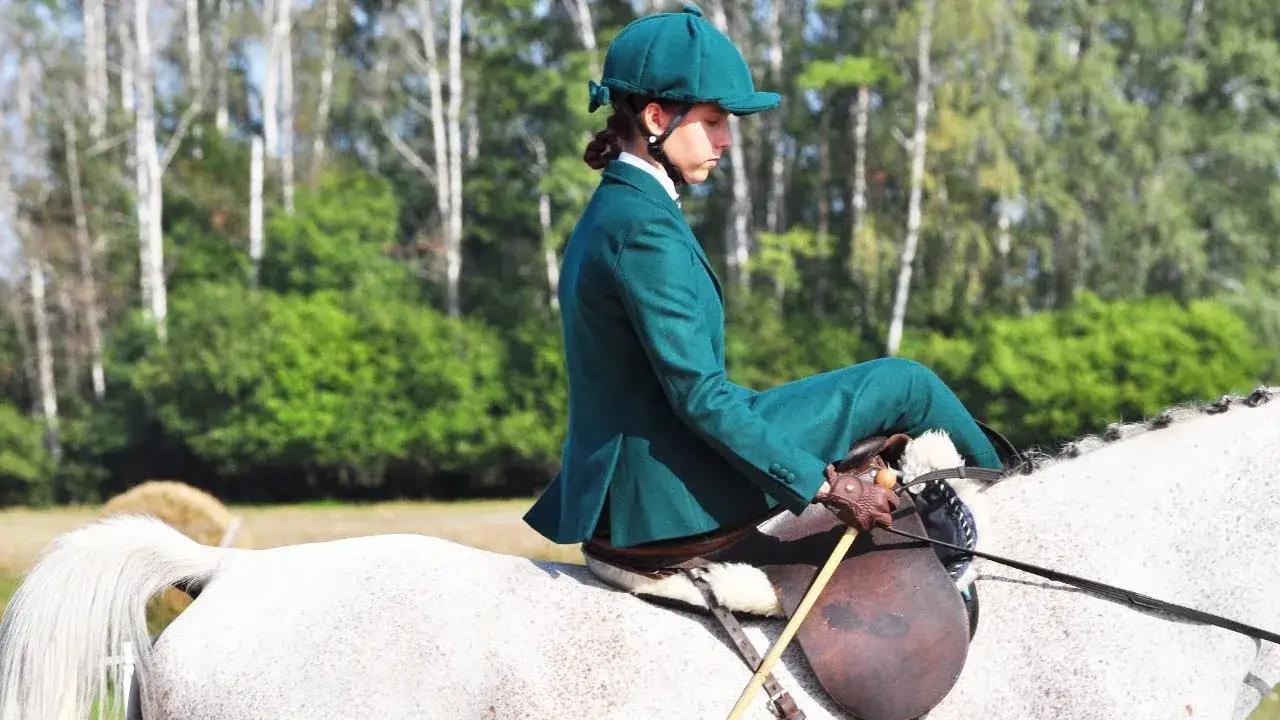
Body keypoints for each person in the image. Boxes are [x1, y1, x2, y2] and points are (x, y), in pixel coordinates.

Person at [522, 4, 1003, 550]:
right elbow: (699, 397)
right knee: (906, 384)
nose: (725, 141)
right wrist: (825, 485)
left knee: (892, 382)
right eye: (712, 122)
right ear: (656, 119)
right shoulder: (641, 229)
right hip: (667, 482)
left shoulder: (620, 208)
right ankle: (1017, 509)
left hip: (656, 459)